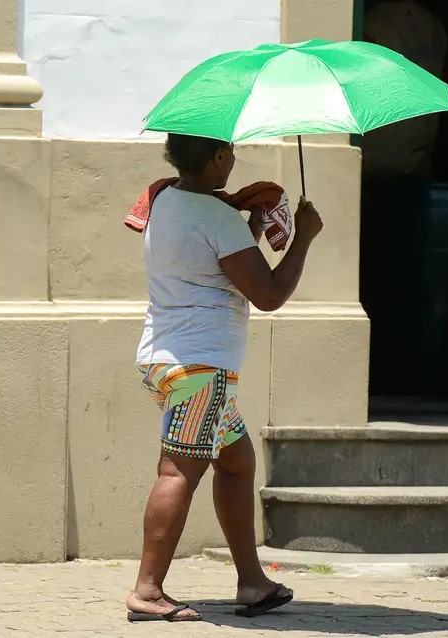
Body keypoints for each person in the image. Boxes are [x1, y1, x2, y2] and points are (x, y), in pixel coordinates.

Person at [126, 133, 324, 622]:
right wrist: (303, 237)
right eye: (231, 151)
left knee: (235, 462)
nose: (235, 159)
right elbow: (269, 293)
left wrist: (250, 229)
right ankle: (147, 591)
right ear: (217, 157)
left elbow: (213, 267)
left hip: (166, 359)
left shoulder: (165, 199)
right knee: (179, 471)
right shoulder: (216, 215)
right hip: (201, 368)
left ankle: (253, 582)